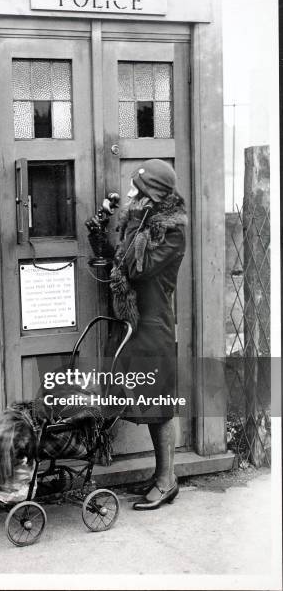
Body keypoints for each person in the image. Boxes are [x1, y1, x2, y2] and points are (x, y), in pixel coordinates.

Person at [86, 159, 188, 510]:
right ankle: (163, 474)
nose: (130, 195)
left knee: (157, 405)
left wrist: (132, 224)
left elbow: (135, 267)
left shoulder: (171, 232)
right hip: (135, 326)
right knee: (143, 402)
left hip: (153, 327)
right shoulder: (141, 224)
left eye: (137, 190)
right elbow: (118, 262)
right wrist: (101, 230)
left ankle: (167, 480)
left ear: (152, 196)